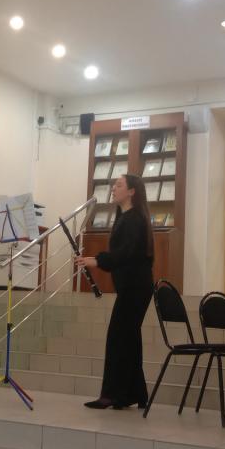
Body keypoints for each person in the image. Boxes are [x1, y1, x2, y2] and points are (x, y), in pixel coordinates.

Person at [76, 174, 155, 409]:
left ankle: (111, 395)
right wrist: (99, 260)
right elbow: (123, 254)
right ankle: (134, 394)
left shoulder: (134, 219)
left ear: (131, 191)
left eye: (119, 185)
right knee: (128, 340)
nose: (113, 188)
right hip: (133, 287)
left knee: (118, 339)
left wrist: (97, 260)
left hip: (135, 287)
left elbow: (126, 254)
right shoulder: (127, 217)